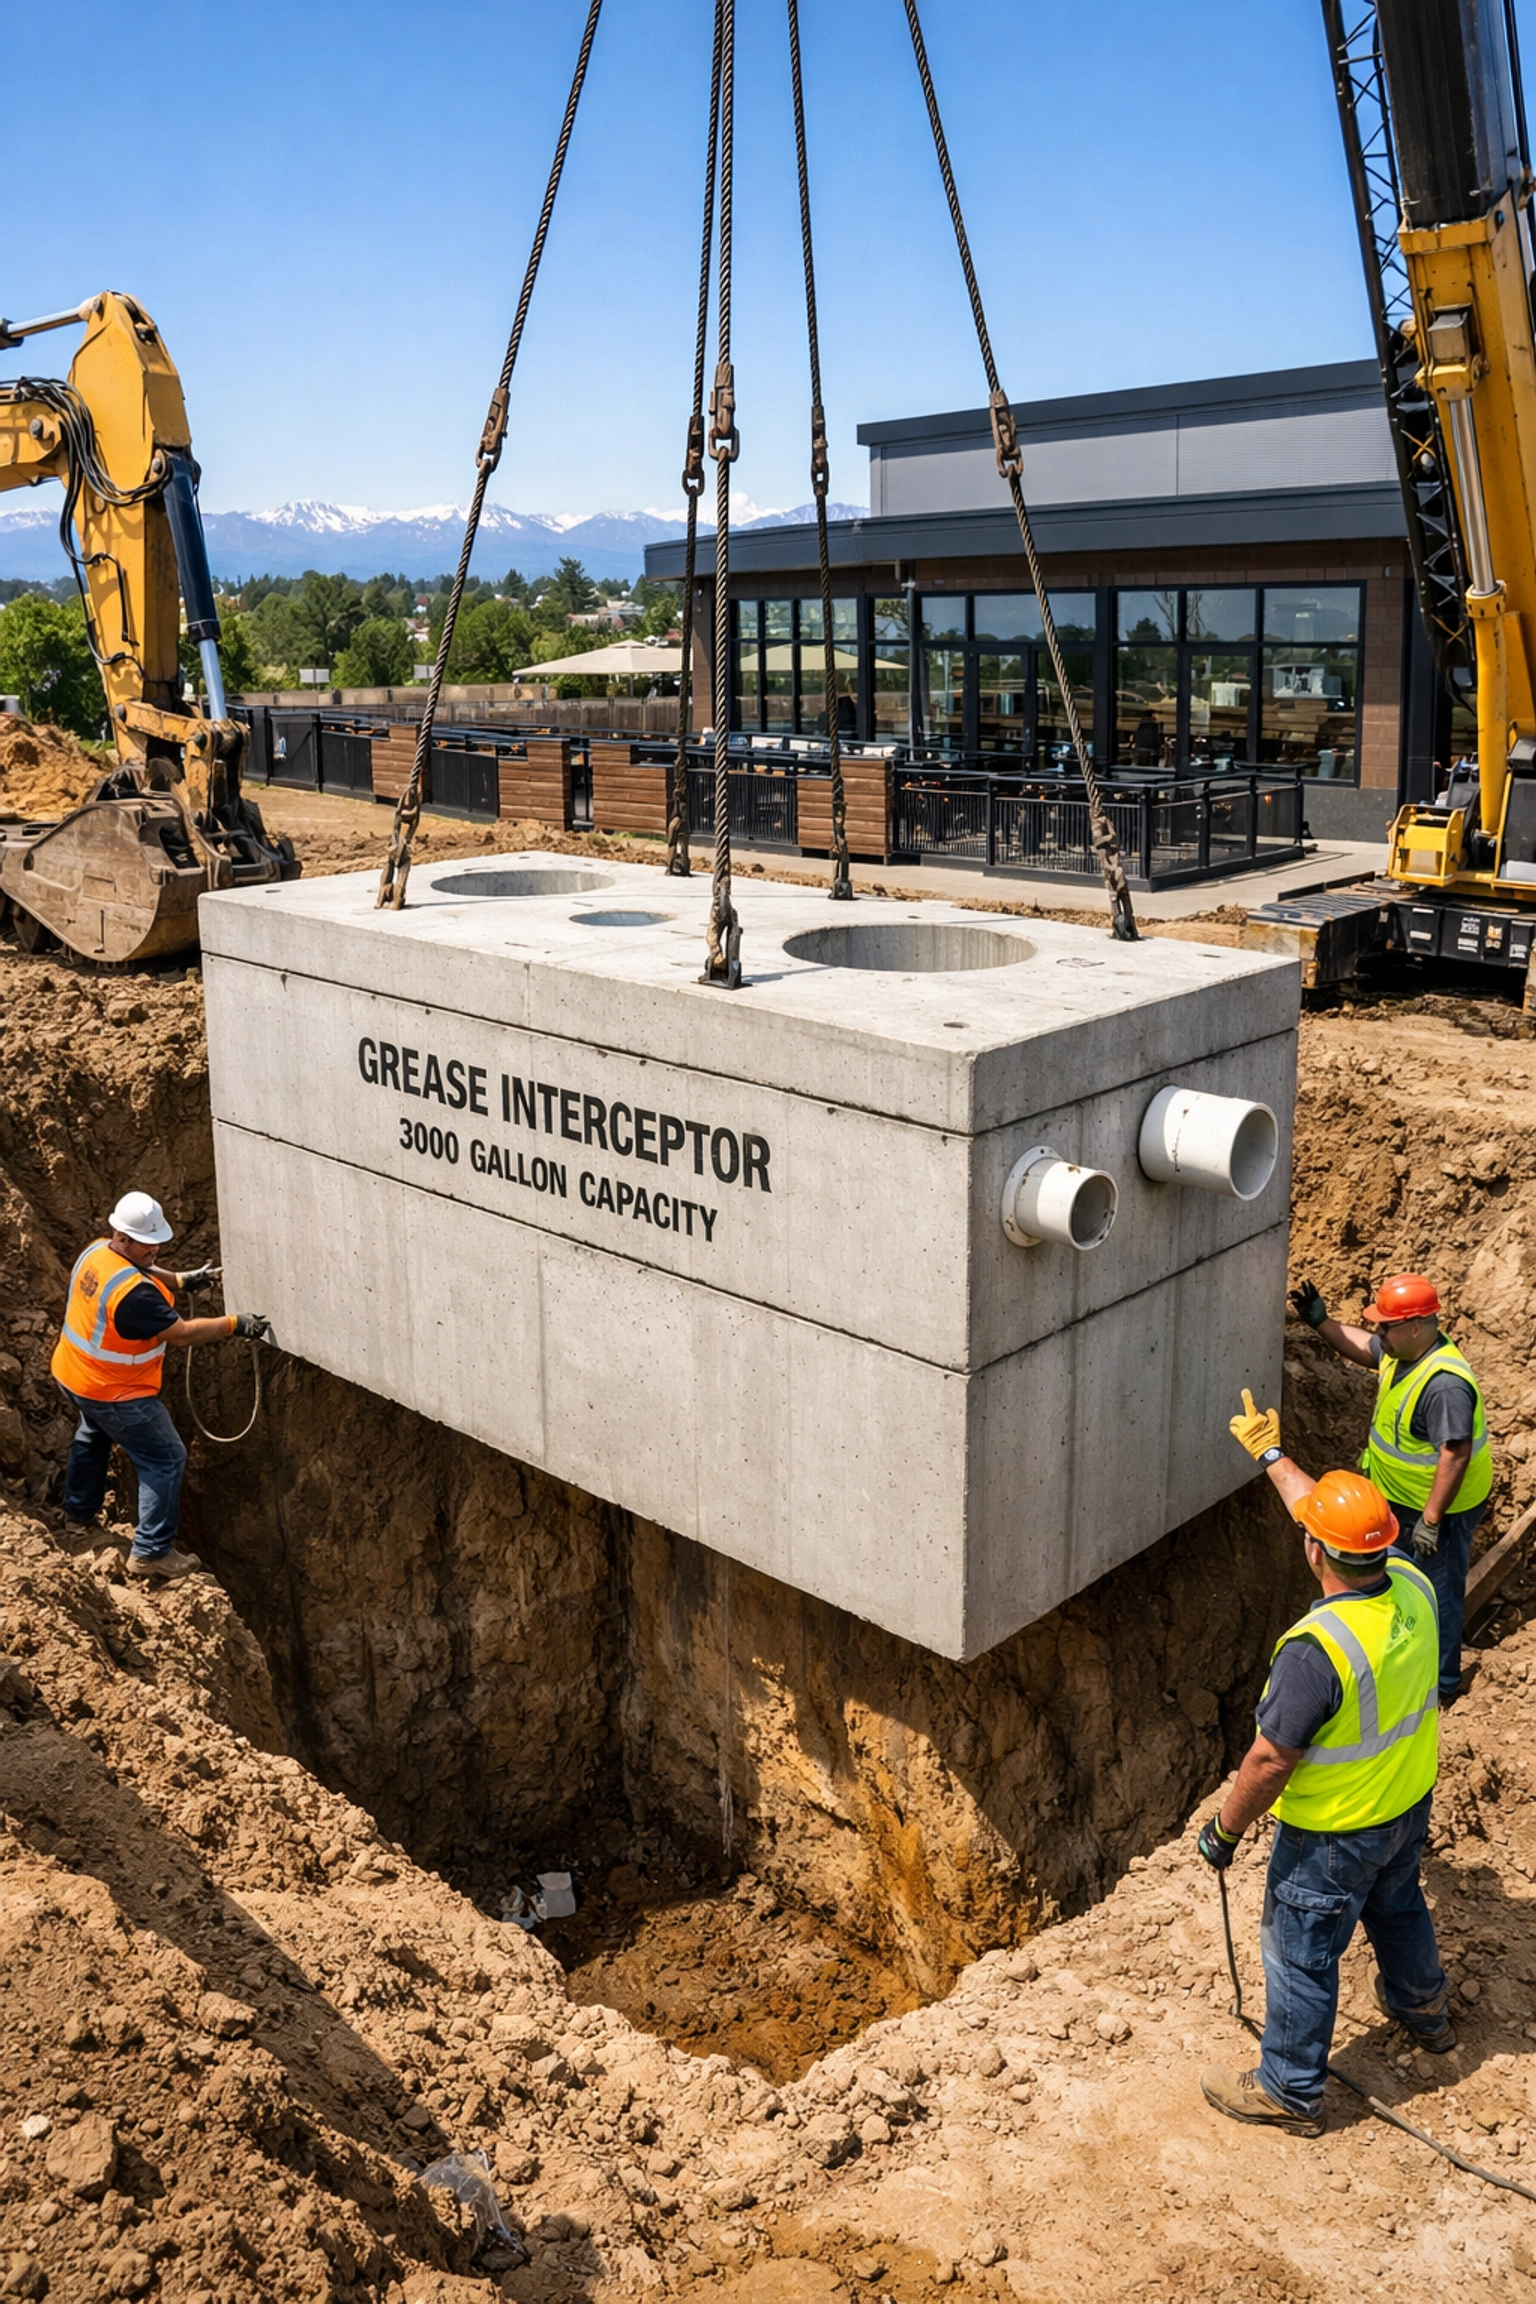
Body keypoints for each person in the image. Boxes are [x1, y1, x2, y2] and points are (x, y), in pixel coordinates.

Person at [1196, 1390, 1451, 2137]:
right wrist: (1274, 1459)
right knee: (1398, 1905)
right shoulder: (1410, 1580)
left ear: (1314, 1553)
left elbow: (1271, 1759)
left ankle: (1289, 2088)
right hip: (1406, 1803)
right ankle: (1424, 2011)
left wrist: (1225, 1830)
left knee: (1300, 1951)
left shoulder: (1318, 1651)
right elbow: (1338, 1523)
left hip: (1336, 1832)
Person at [1290, 1272, 1491, 1704]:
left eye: (1386, 1324)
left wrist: (1432, 1522)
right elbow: (1366, 1348)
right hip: (1400, 1502)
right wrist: (1321, 1322)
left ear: (1416, 1326)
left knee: (1438, 1592)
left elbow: (1454, 1456)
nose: (1378, 1331)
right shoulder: (1404, 1352)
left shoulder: (1444, 1386)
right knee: (1396, 1579)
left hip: (1439, 1512)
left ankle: (1442, 1686)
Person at [51, 1191, 270, 1581]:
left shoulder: (98, 1251)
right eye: (146, 1243)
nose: (154, 1250)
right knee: (165, 1457)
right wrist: (235, 1324)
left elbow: (144, 1272)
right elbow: (182, 1333)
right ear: (122, 1238)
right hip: (115, 1390)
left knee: (93, 1434)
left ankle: (78, 1518)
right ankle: (151, 1552)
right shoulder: (135, 1298)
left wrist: (182, 1281)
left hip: (74, 1373)